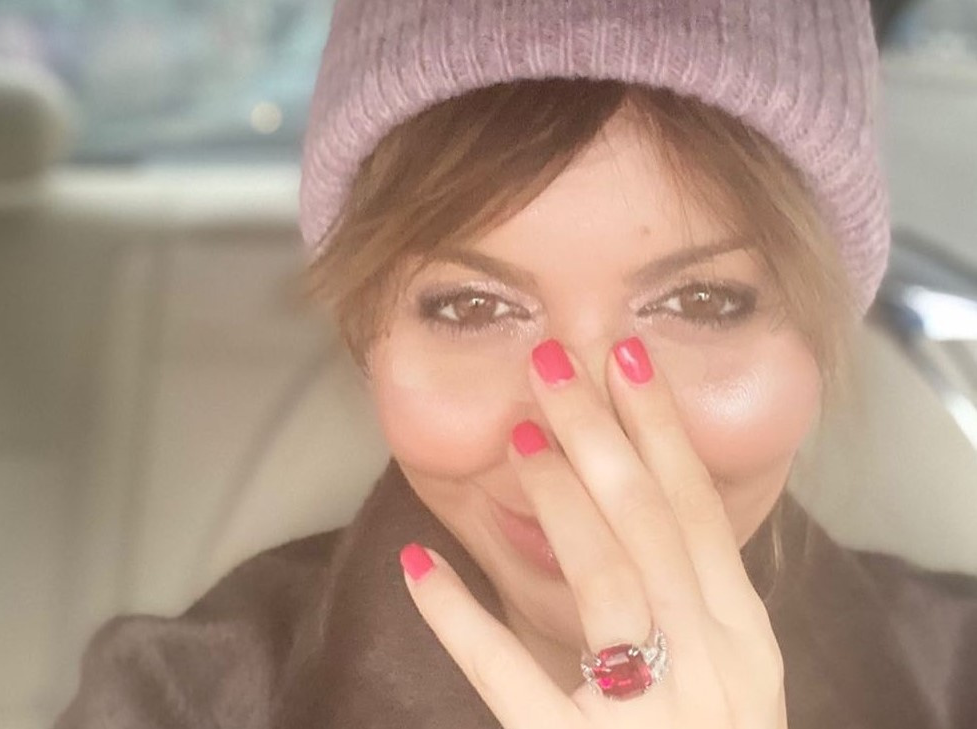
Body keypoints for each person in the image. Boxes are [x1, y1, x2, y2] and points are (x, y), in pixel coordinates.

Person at [54, 1, 977, 727]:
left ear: (822, 340)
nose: (584, 442)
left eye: (702, 301)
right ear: (370, 338)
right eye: (472, 306)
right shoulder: (174, 702)